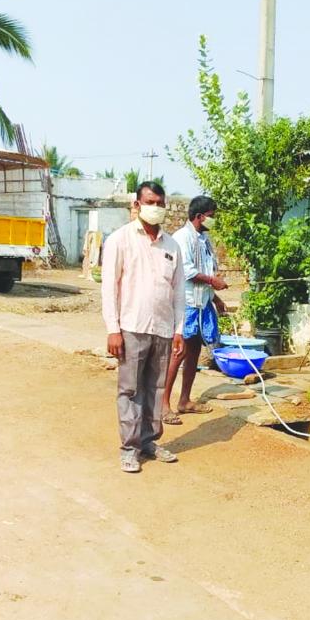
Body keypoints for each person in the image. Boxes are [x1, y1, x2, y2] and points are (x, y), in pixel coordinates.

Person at [101, 181, 185, 473]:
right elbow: (109, 288)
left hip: (162, 328)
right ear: (136, 205)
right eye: (150, 202)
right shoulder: (120, 240)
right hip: (132, 327)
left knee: (156, 387)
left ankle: (149, 442)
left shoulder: (171, 245)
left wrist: (179, 330)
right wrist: (113, 329)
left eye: (160, 203)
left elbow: (178, 292)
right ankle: (129, 448)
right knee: (130, 389)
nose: (156, 208)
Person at [161, 195, 229, 424]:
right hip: (187, 304)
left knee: (193, 353)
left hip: (202, 303)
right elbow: (188, 271)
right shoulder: (182, 238)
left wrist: (216, 298)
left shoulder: (203, 239)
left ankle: (185, 400)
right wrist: (213, 281)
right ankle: (163, 405)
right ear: (200, 216)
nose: (214, 220)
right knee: (178, 353)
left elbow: (205, 270)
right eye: (212, 216)